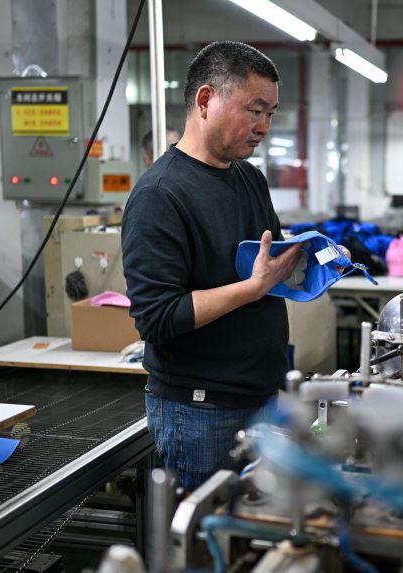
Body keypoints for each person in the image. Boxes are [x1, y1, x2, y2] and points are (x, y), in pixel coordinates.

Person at [122, 41, 308, 491]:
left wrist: (310, 260)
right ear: (206, 100)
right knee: (208, 547)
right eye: (255, 110)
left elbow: (264, 264)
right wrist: (253, 288)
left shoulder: (248, 176)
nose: (264, 126)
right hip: (200, 412)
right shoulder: (160, 195)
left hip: (261, 396)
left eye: (271, 113)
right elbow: (157, 317)